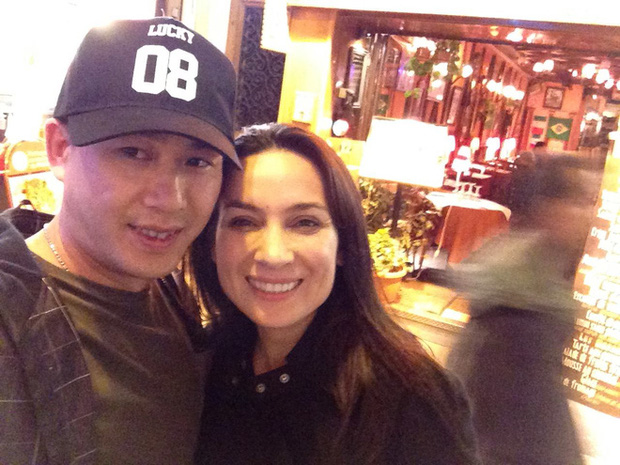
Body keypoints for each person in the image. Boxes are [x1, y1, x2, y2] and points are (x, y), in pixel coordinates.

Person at [0, 17, 239, 465]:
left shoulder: (173, 296)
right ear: (60, 148)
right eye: (133, 152)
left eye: (197, 162)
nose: (170, 199)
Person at [189, 123, 480, 464]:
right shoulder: (207, 361)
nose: (273, 254)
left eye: (305, 223)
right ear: (211, 242)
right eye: (243, 222)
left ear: (343, 244)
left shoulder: (411, 397)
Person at [446, 157, 594, 465]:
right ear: (548, 206)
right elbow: (521, 420)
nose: (590, 213)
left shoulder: (537, 274)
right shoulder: (522, 305)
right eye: (580, 200)